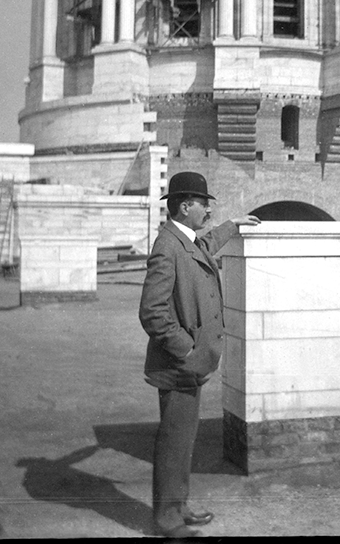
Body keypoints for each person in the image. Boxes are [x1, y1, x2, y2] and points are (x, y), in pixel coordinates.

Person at [139, 171, 260, 539]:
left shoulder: (184, 240)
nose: (208, 209)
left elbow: (205, 245)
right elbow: (152, 312)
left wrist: (232, 225)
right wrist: (186, 349)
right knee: (174, 441)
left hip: (188, 367)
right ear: (185, 206)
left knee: (183, 439)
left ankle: (179, 505)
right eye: (204, 203)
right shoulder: (167, 246)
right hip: (178, 366)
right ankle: (167, 520)